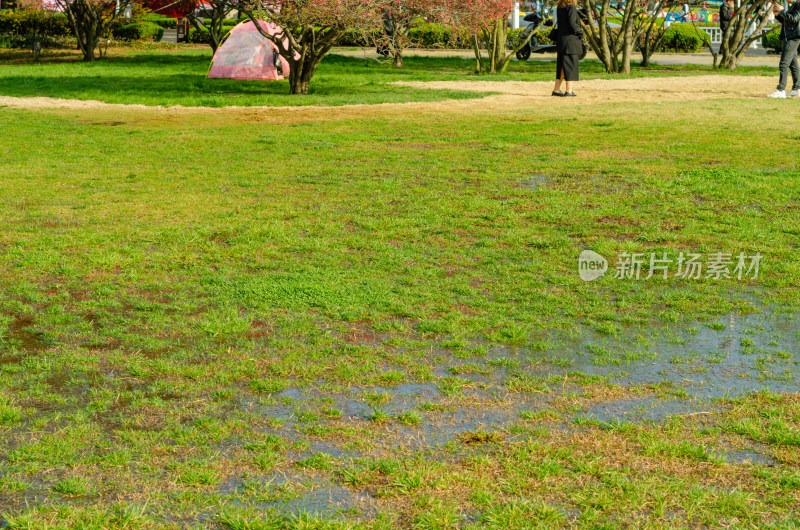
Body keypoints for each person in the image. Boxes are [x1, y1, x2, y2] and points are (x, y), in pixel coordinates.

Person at [767, 0, 800, 98]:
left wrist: (781, 11)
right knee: (793, 65)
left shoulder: (798, 5)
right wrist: (778, 15)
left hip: (792, 38)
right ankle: (797, 89)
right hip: (789, 37)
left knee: (783, 64)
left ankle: (781, 90)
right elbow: (787, 21)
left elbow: (794, 19)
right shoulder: (793, 6)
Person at [552, 0, 583, 97]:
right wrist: (580, 31)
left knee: (561, 66)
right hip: (570, 41)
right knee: (570, 65)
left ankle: (556, 90)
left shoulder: (560, 7)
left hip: (561, 40)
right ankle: (569, 90)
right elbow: (572, 24)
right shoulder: (571, 7)